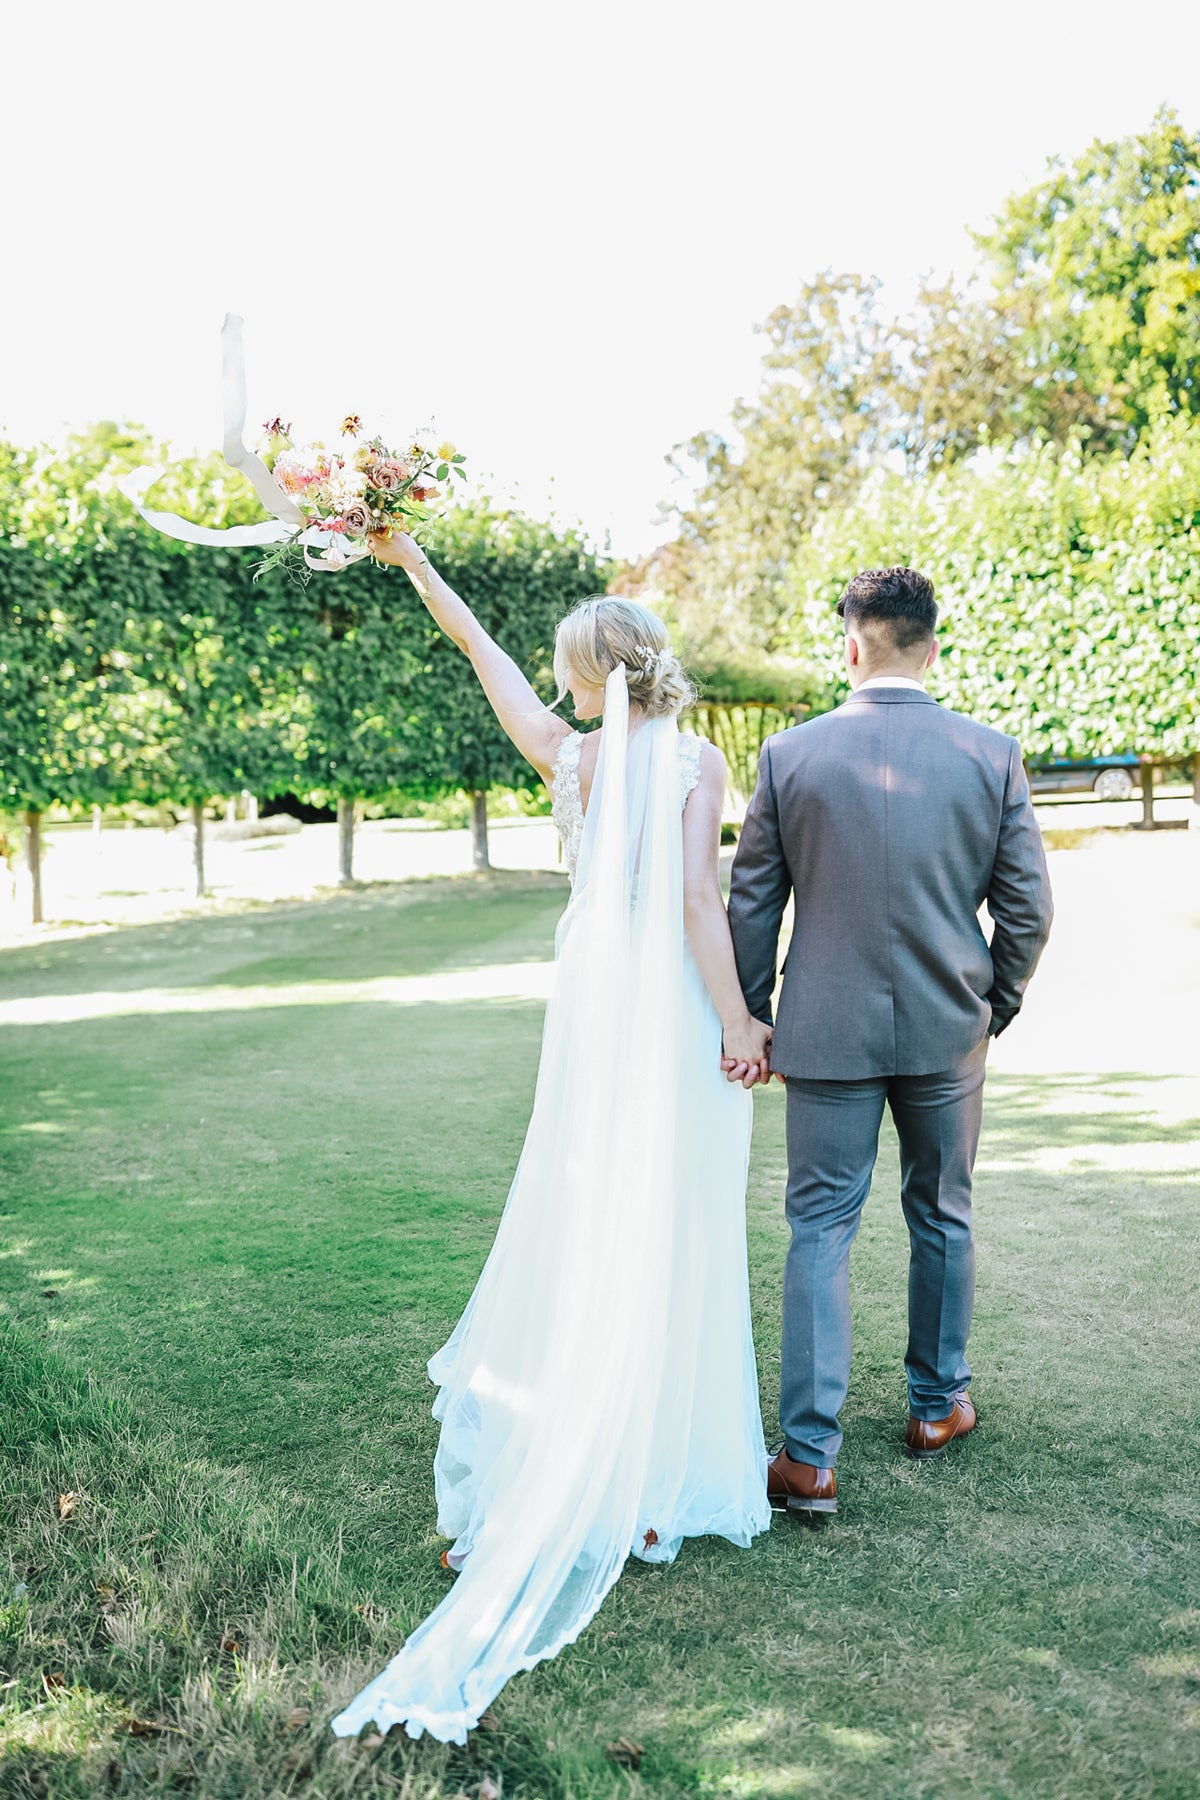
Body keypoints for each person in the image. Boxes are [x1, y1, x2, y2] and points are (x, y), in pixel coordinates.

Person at [330, 532, 773, 1745]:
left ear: (593, 677)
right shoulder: (696, 761)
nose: (558, 676)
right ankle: (645, 1476)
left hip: (589, 1002)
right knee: (666, 1203)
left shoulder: (566, 757)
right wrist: (739, 1017)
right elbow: (697, 902)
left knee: (584, 1200)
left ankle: (592, 1443)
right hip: (664, 1004)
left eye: (569, 665)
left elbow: (471, 642)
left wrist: (405, 551)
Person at [726, 566, 1053, 1517]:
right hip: (951, 1027)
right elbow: (1027, 908)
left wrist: (752, 1013)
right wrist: (996, 1000)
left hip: (823, 1035)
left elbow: (753, 902)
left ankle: (810, 1459)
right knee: (942, 1213)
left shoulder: (790, 755)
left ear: (852, 645)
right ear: (933, 647)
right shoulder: (990, 753)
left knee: (820, 1231)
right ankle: (935, 1406)